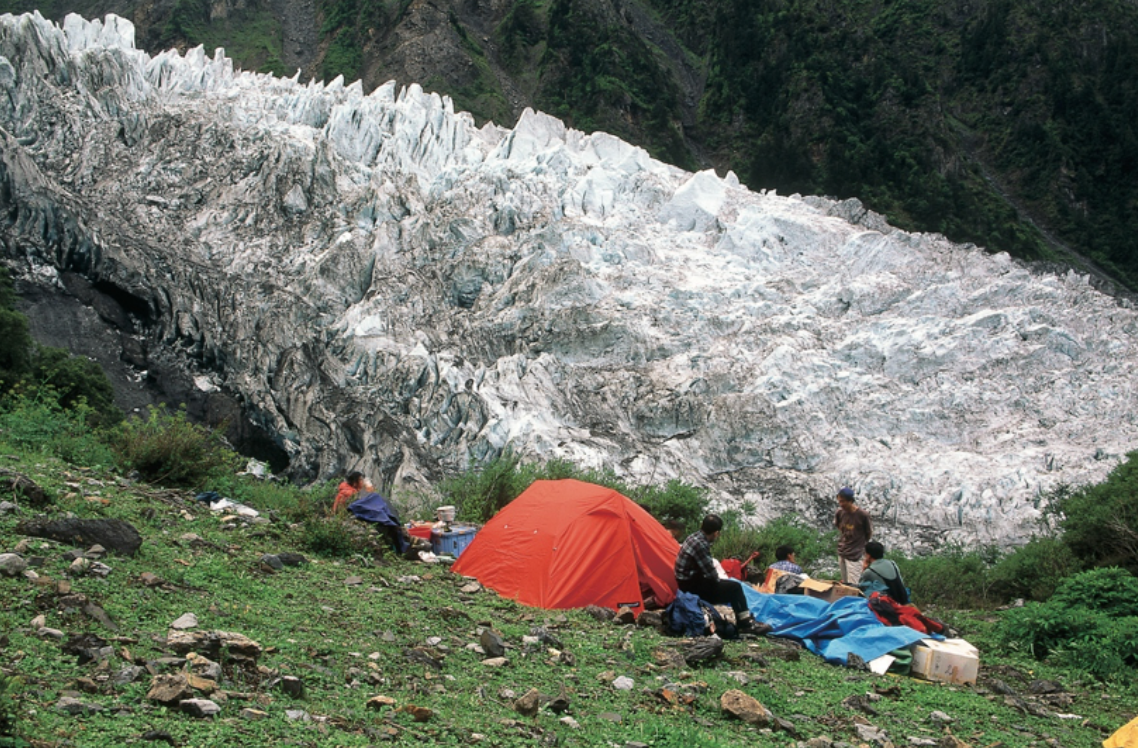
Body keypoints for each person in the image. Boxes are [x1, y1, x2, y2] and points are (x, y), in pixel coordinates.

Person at [674, 514, 767, 634]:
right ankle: (745, 623)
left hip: (686, 581)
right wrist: (722, 584)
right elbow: (711, 574)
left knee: (729, 586)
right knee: (735, 588)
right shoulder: (701, 544)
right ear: (716, 533)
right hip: (690, 586)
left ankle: (743, 620)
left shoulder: (693, 537)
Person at [834, 486, 872, 585]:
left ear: (851, 501)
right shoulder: (840, 513)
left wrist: (860, 545)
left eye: (843, 501)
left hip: (855, 554)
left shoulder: (862, 515)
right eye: (839, 501)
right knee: (845, 583)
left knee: (854, 584)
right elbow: (839, 526)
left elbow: (868, 532)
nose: (841, 504)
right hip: (843, 551)